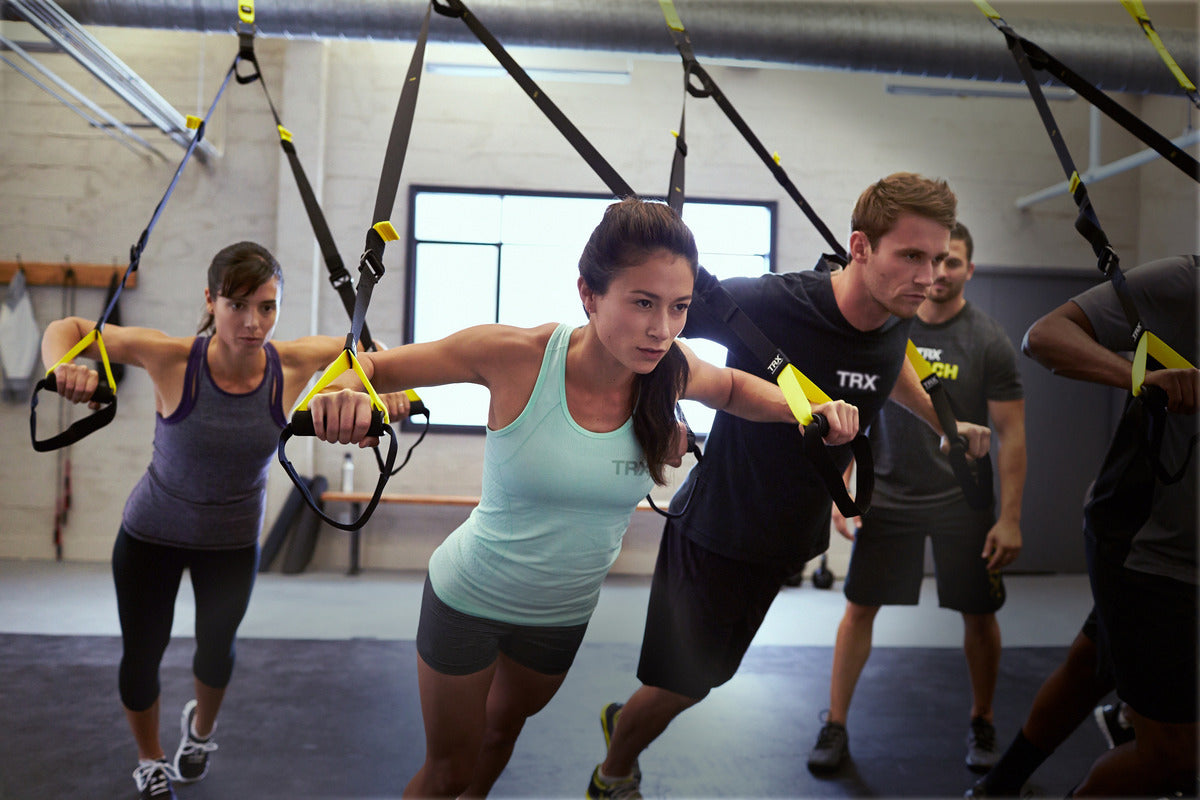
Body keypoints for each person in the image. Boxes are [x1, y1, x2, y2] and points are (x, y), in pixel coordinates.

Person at [305, 197, 859, 799]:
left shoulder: (668, 369)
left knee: (501, 735)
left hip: (560, 616)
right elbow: (372, 369)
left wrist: (806, 408)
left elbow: (729, 387)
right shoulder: (515, 354)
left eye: (678, 308)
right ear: (589, 295)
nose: (662, 329)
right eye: (643, 303)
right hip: (469, 598)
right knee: (449, 771)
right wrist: (343, 393)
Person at [586, 173, 994, 800]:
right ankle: (613, 771)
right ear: (860, 248)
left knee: (709, 677)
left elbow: (890, 366)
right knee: (682, 684)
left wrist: (946, 421)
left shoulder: (892, 316)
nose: (928, 275)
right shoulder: (776, 304)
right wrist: (651, 419)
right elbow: (648, 332)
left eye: (937, 259)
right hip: (719, 529)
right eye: (911, 256)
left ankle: (630, 723)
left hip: (787, 539)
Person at [40, 242, 394, 800]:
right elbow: (66, 326)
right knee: (142, 653)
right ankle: (150, 758)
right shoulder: (170, 356)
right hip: (150, 535)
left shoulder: (298, 362)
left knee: (216, 651)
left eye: (268, 307)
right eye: (237, 306)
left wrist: (375, 392)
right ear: (210, 300)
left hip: (230, 543)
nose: (254, 323)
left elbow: (375, 354)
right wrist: (63, 367)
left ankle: (200, 733)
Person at [806, 222, 1027, 775]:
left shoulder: (989, 340)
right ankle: (834, 722)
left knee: (978, 615)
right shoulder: (887, 330)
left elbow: (1013, 434)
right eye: (934, 260)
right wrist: (848, 487)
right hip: (890, 493)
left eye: (954, 262)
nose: (941, 271)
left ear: (968, 270)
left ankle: (983, 720)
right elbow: (861, 409)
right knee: (859, 609)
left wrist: (1011, 519)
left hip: (964, 500)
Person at [985, 255, 1197, 797]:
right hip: (1148, 548)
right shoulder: (1186, 283)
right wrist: (1141, 379)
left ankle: (999, 786)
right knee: (1173, 756)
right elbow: (1045, 336)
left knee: (1091, 668)